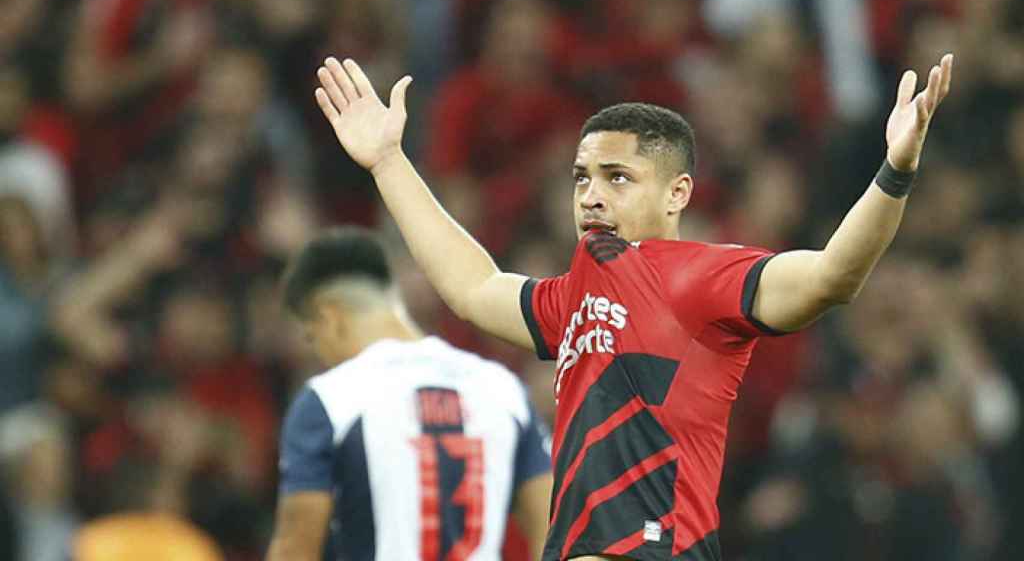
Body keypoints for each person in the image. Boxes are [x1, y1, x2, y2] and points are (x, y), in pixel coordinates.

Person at [311, 53, 953, 561]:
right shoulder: (574, 298)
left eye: (617, 178)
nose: (591, 195)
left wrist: (895, 169)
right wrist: (389, 163)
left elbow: (832, 277)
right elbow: (475, 288)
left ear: (677, 194)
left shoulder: (699, 277)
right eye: (582, 177)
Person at [266, 227, 553, 561]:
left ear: (329, 317)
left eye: (312, 337)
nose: (319, 353)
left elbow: (295, 548)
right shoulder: (502, 390)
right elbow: (551, 525)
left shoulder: (329, 401)